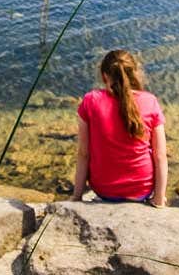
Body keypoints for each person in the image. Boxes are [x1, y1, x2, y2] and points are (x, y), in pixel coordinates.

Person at [70, 49, 168, 207]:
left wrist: (77, 197)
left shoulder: (90, 101)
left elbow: (83, 154)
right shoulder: (150, 101)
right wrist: (159, 199)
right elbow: (161, 156)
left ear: (104, 76)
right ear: (135, 73)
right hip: (141, 190)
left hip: (103, 190)